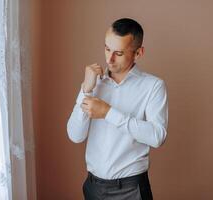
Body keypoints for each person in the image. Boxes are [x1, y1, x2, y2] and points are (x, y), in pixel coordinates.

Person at [67, 18, 168, 200]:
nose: (109, 59)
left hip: (131, 189)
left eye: (118, 53)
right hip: (93, 187)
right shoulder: (93, 82)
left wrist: (108, 113)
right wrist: (86, 90)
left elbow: (157, 136)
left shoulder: (153, 86)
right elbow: (75, 135)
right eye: (107, 49)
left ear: (138, 53)